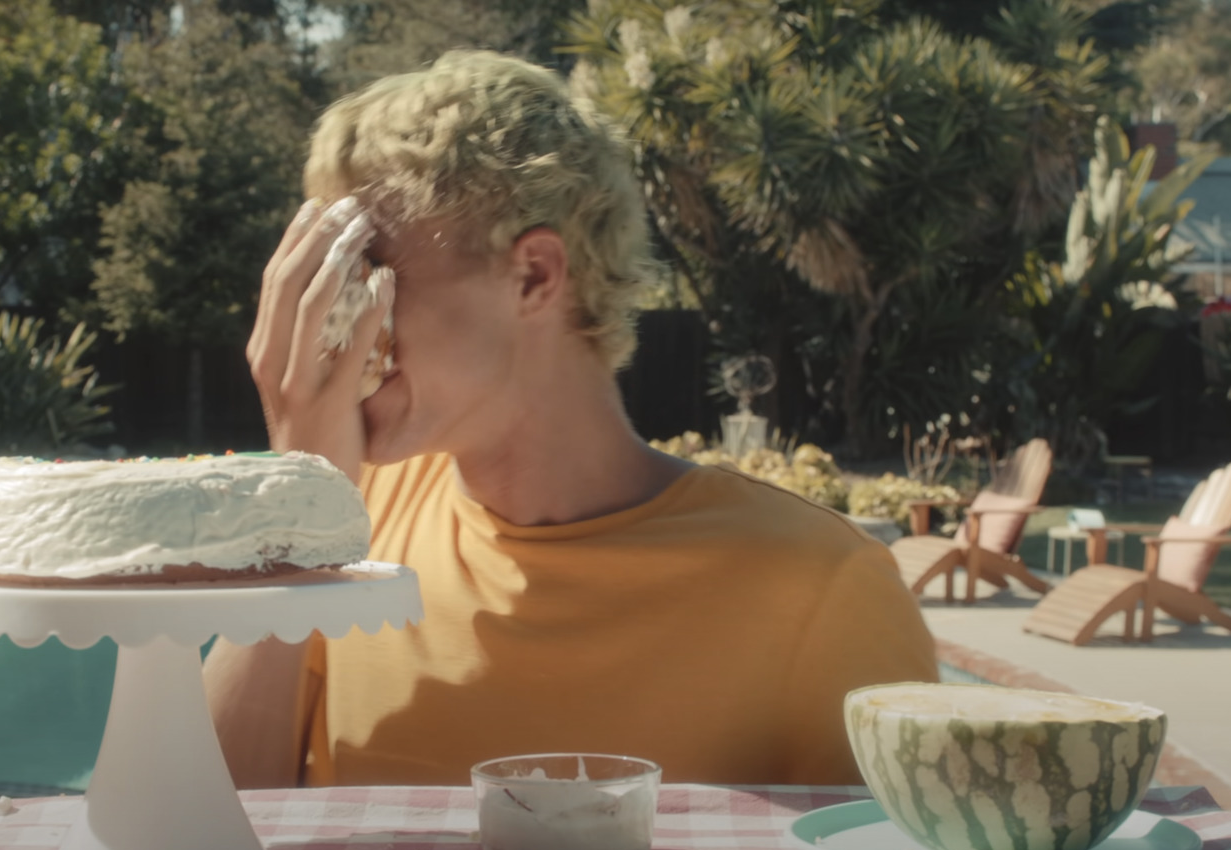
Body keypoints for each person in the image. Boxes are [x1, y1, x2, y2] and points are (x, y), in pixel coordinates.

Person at [202, 50, 937, 789]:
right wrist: (297, 503)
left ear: (534, 275)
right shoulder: (341, 532)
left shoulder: (820, 583)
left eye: (369, 274)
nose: (337, 323)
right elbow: (194, 835)